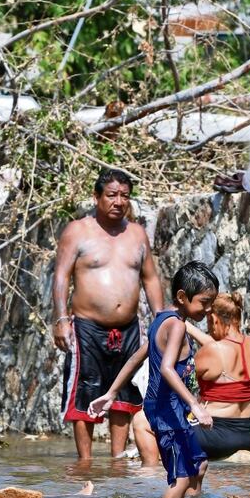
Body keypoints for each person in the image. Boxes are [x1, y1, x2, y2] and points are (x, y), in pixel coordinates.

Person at [52, 168, 164, 460]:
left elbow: (150, 278)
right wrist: (61, 319)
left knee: (125, 394)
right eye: (112, 195)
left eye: (124, 196)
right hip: (87, 327)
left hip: (128, 328)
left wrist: (161, 320)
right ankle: (85, 463)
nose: (118, 201)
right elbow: (62, 276)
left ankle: (117, 460)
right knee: (85, 392)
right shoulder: (78, 230)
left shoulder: (136, 233)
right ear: (97, 196)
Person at [90, 261, 218, 498]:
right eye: (204, 302)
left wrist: (111, 393)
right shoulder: (177, 326)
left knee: (199, 466)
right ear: (182, 296)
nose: (209, 309)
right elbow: (167, 369)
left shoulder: (162, 319)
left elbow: (135, 359)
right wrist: (195, 405)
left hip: (169, 406)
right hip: (167, 408)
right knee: (182, 476)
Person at [189, 293, 250, 459]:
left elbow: (181, 378)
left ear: (215, 319)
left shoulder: (213, 351)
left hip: (216, 436)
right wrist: (187, 326)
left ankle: (154, 477)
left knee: (144, 422)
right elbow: (220, 347)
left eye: (208, 321)